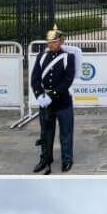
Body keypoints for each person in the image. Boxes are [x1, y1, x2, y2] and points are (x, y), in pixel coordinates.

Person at [31, 25, 76, 174]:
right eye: (49, 42)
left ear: (61, 41)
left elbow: (67, 80)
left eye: (54, 42)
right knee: (46, 133)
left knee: (66, 133)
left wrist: (51, 95)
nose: (51, 45)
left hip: (62, 102)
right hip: (45, 103)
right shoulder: (41, 56)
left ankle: (67, 159)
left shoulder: (69, 57)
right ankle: (45, 158)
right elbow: (35, 78)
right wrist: (39, 95)